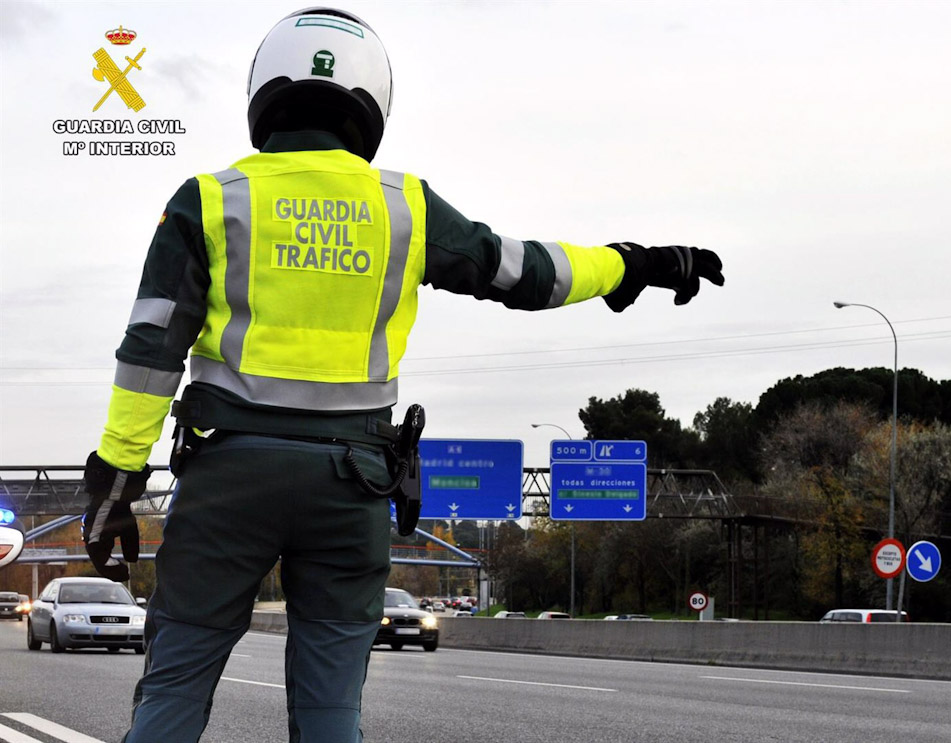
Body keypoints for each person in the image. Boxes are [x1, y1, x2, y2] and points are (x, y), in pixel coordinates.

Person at [80, 7, 723, 743]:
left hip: (229, 480)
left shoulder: (210, 199)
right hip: (353, 486)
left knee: (174, 686)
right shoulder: (404, 207)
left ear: (263, 93)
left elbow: (150, 350)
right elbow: (522, 269)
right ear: (371, 102)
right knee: (329, 711)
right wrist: (632, 262)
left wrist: (118, 477)